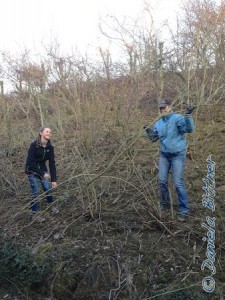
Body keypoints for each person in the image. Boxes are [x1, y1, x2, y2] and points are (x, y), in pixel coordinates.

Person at [144, 98, 195, 220]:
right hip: (164, 155)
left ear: (170, 107)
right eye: (160, 108)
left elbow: (189, 129)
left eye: (164, 107)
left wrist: (187, 116)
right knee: (162, 182)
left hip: (177, 155)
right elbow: (154, 138)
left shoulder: (177, 118)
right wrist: (148, 131)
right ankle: (164, 203)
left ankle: (184, 209)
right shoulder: (159, 122)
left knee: (178, 182)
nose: (162, 109)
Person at [25, 127, 59, 222]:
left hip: (42, 168)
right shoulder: (34, 145)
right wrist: (42, 173)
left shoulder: (50, 147)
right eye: (47, 131)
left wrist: (54, 180)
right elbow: (30, 162)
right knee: (35, 191)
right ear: (41, 133)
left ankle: (51, 206)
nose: (49, 133)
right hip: (31, 170)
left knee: (47, 187)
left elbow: (52, 164)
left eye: (50, 132)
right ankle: (35, 214)